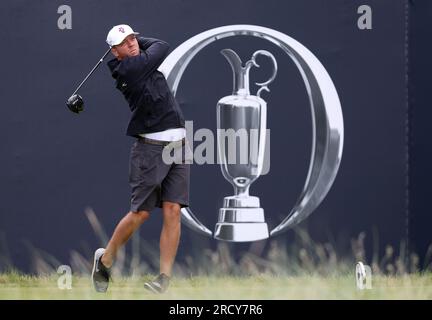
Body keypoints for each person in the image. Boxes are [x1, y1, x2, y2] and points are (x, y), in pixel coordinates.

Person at [91, 24, 190, 294]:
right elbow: (162, 44)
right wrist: (139, 41)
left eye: (134, 38)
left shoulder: (135, 60)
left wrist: (131, 38)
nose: (133, 43)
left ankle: (163, 279)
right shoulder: (130, 69)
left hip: (178, 145)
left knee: (173, 210)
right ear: (115, 52)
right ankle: (105, 259)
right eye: (125, 42)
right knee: (140, 214)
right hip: (151, 149)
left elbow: (152, 45)